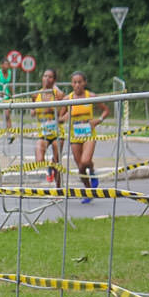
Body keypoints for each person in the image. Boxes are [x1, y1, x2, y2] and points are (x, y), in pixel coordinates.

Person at [58, 71, 109, 203]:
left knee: (85, 161)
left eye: (80, 82)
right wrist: (64, 117)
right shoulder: (67, 99)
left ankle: (92, 170)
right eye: (74, 82)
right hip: (75, 136)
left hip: (88, 134)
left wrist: (99, 120)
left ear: (84, 83)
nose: (77, 85)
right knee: (80, 167)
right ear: (71, 84)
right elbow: (60, 117)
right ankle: (88, 191)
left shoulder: (90, 96)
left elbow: (106, 110)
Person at [33, 68, 65, 187]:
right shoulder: (37, 94)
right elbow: (33, 109)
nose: (47, 79)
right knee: (39, 160)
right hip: (43, 132)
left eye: (50, 77)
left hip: (57, 132)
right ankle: (49, 167)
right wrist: (33, 111)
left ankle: (58, 188)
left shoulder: (58, 94)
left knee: (57, 162)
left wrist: (52, 108)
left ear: (54, 80)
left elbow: (62, 112)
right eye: (45, 76)